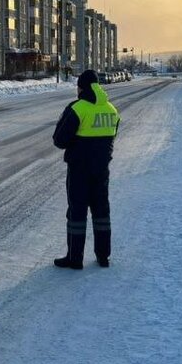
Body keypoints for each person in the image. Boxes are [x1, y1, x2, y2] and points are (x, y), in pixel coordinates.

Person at [52, 69, 120, 269]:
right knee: (101, 212)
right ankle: (103, 256)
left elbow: (59, 140)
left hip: (79, 169)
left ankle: (75, 258)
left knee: (77, 213)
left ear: (81, 87)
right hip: (101, 170)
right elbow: (112, 136)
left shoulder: (77, 108)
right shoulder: (111, 110)